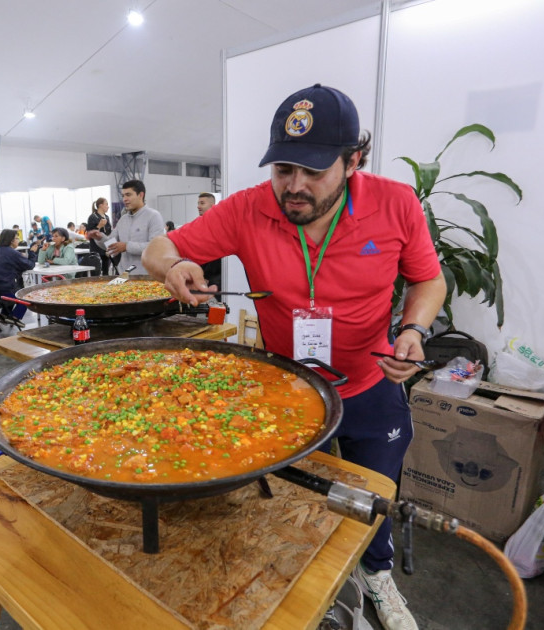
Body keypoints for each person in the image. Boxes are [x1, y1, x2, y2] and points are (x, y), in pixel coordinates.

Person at [143, 85, 446, 630]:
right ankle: (317, 591)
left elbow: (428, 279)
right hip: (288, 394)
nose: (295, 187)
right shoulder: (248, 208)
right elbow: (157, 249)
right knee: (298, 503)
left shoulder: (396, 204)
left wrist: (414, 329)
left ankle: (377, 577)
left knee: (374, 493)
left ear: (353, 161)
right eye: (284, 169)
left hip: (372, 384)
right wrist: (174, 267)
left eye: (314, 171)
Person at [87, 180, 164, 275]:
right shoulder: (123, 219)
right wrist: (99, 238)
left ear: (141, 195)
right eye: (123, 196)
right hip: (124, 275)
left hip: (146, 277)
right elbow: (111, 245)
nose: (124, 199)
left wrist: (127, 246)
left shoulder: (153, 216)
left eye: (128, 195)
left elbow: (156, 247)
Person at [0, 228, 37, 325]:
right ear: (11, 241)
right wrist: (32, 252)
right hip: (5, 289)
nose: (18, 240)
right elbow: (30, 265)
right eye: (17, 238)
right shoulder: (12, 253)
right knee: (26, 297)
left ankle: (4, 315)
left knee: (14, 288)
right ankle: (15, 317)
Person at [196, 193, 223, 291]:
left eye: (202, 203)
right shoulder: (198, 226)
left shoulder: (219, 228)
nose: (198, 206)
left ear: (212, 206)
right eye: (198, 203)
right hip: (201, 281)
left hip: (215, 284)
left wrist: (214, 281)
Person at [86, 197, 113, 275]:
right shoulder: (93, 217)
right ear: (101, 205)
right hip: (96, 248)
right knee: (97, 271)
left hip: (106, 247)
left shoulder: (107, 217)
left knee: (106, 270)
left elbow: (109, 232)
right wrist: (99, 226)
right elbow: (90, 234)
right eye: (106, 204)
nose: (108, 206)